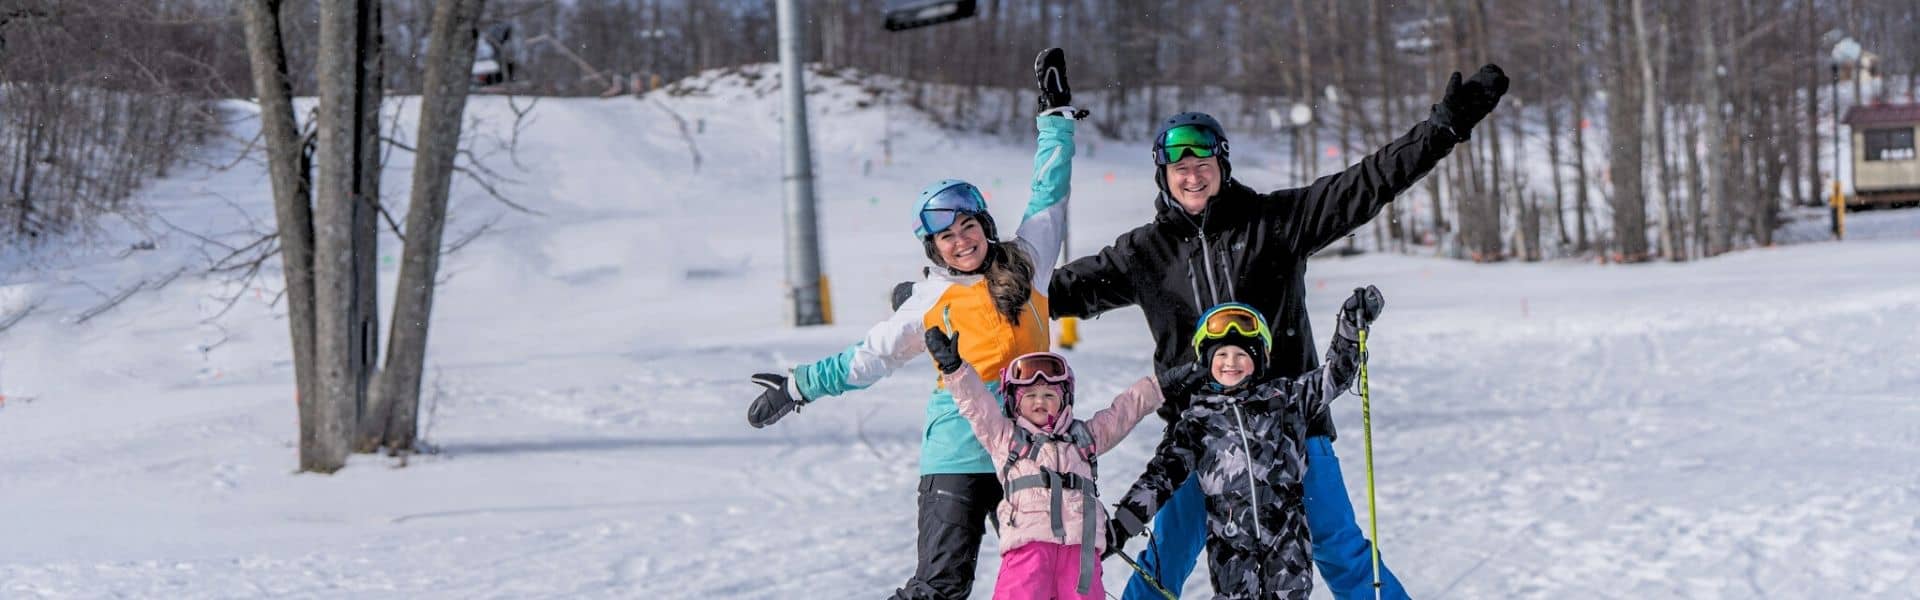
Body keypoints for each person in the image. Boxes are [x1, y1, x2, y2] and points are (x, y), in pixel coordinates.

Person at [1048, 64, 1510, 599]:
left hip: (1294, 425)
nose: (1192, 174)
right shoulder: (1143, 254)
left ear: (1222, 163)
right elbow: (1048, 291)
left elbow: (1368, 183)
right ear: (1162, 174)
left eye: (1203, 160)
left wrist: (1444, 128)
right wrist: (974, 278)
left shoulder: (1275, 222)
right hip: (1200, 437)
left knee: (1340, 549)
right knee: (1164, 561)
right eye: (1179, 165)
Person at [744, 48, 1088, 600]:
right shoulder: (928, 300)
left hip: (1028, 453)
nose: (962, 240)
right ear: (934, 247)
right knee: (940, 585)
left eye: (969, 226)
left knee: (1052, 579)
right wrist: (797, 385)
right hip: (957, 455)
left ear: (984, 225)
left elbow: (1050, 193)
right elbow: (869, 357)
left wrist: (1055, 121)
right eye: (947, 236)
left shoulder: (1027, 265)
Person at [1106, 288, 1386, 600]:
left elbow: (1335, 376)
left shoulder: (1286, 400)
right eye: (1221, 354)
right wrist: (1120, 527)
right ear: (1206, 361)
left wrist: (1351, 325)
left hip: (1288, 555)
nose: (1231, 362)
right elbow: (1159, 478)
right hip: (1232, 559)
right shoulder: (1196, 422)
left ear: (1260, 359)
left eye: (1242, 354)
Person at [924, 328, 1162, 599]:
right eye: (1031, 396)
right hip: (1028, 550)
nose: (1040, 401)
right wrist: (955, 369)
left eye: (1050, 396)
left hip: (1080, 554)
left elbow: (1125, 411)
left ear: (1064, 401)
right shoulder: (1006, 437)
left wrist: (1159, 386)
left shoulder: (1084, 437)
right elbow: (976, 404)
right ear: (1015, 401)